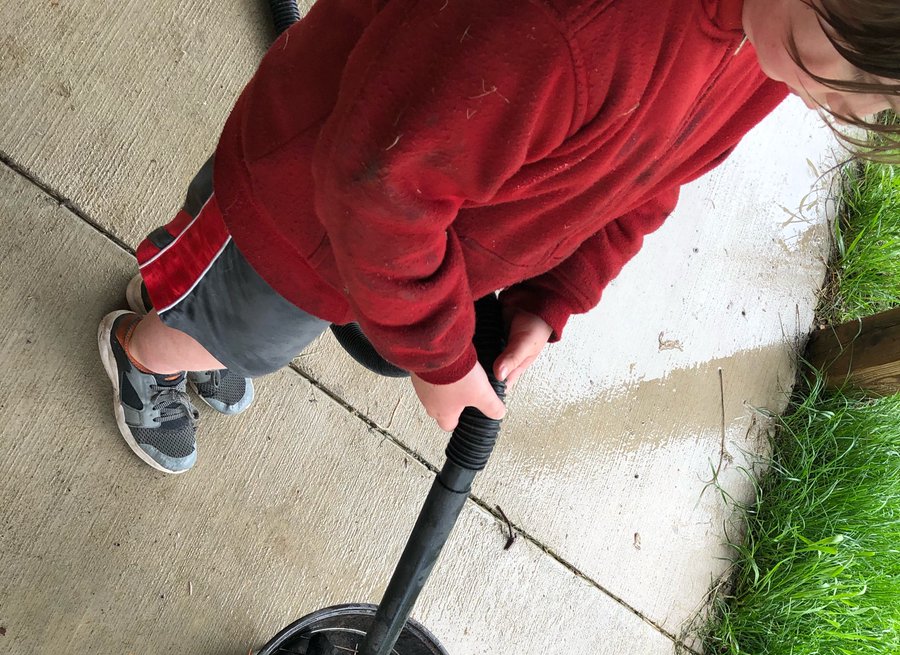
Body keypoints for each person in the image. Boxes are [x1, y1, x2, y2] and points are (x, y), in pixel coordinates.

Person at [98, 0, 900, 474]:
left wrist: (558, 295)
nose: (858, 110)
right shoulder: (570, 27)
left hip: (387, 250)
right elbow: (375, 188)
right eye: (859, 75)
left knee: (254, 333)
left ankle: (202, 333)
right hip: (300, 212)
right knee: (229, 323)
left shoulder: (766, 41)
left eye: (880, 97)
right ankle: (144, 346)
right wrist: (439, 362)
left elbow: (656, 173)